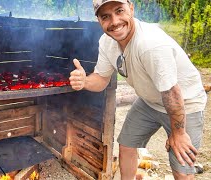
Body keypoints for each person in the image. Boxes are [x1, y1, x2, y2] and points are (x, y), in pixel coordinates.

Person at [69, 0, 207, 179]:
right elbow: (101, 79)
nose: (115, 21)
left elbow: (172, 92)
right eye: (106, 17)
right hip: (150, 101)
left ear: (131, 8)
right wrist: (85, 81)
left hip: (185, 103)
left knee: (182, 169)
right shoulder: (106, 42)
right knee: (126, 144)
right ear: (99, 21)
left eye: (119, 11)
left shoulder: (150, 44)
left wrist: (178, 133)